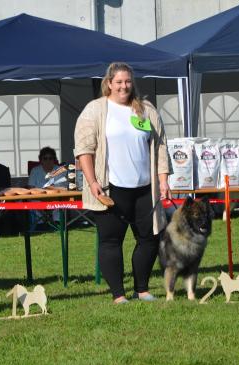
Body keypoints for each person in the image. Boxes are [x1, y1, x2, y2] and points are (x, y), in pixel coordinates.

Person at [74, 62, 172, 304]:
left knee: (150, 239)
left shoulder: (146, 109)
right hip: (111, 187)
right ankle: (118, 294)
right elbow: (84, 149)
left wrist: (163, 179)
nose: (123, 86)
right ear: (109, 83)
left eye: (127, 81)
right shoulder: (95, 109)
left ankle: (143, 289)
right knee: (111, 241)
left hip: (144, 189)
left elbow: (160, 146)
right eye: (118, 82)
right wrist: (92, 181)